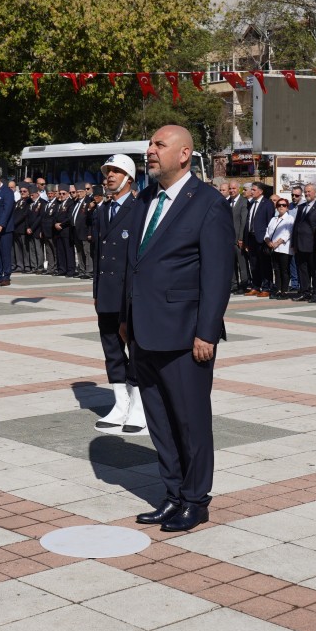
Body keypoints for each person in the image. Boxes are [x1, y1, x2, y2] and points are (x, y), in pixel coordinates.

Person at [121, 125, 234, 533]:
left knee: (190, 422)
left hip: (187, 337)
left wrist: (206, 332)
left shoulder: (207, 203)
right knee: (161, 422)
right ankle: (171, 493)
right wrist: (124, 322)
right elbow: (136, 265)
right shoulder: (146, 198)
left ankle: (195, 499)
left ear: (184, 154)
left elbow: (218, 275)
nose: (149, 150)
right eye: (150, 144)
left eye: (158, 145)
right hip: (144, 332)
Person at [93, 154, 148, 434]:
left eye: (115, 171)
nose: (109, 176)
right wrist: (96, 292)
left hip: (129, 294)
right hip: (106, 294)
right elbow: (98, 256)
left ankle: (139, 407)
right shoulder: (102, 210)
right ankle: (120, 403)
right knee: (112, 349)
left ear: (128, 177)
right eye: (107, 172)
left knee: (136, 350)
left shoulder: (139, 209)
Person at [292, 183, 316, 302]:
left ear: (315, 192)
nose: (307, 194)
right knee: (302, 269)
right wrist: (294, 244)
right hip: (300, 245)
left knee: (315, 270)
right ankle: (304, 291)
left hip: (313, 245)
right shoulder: (301, 208)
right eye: (305, 192)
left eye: (309, 191)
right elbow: (296, 226)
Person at [241, 183, 272, 297]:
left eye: (254, 190)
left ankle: (266, 287)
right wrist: (245, 240)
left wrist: (267, 239)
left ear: (260, 191)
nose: (252, 191)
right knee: (254, 264)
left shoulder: (267, 204)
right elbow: (248, 222)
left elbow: (270, 223)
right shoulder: (252, 204)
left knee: (264, 264)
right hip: (251, 238)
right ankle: (256, 286)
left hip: (262, 239)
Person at [263, 195, 296, 299]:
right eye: (279, 205)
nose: (281, 207)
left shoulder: (290, 218)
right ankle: (278, 289)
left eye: (284, 205)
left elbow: (288, 233)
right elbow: (267, 231)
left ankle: (284, 291)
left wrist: (278, 242)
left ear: (287, 207)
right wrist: (268, 241)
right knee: (276, 270)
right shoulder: (273, 219)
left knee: (284, 270)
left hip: (284, 248)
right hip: (273, 248)